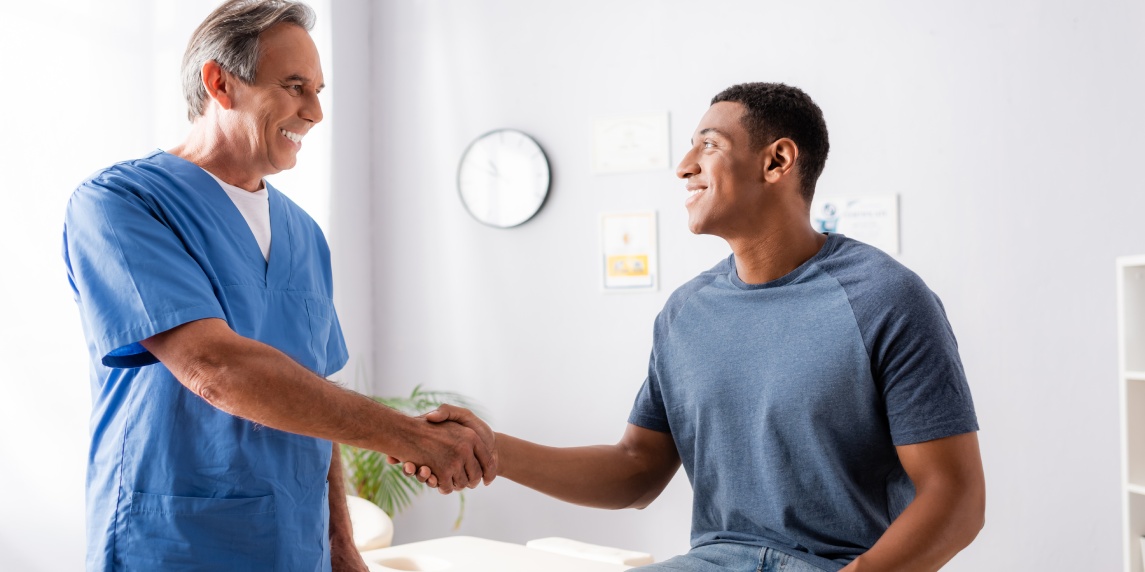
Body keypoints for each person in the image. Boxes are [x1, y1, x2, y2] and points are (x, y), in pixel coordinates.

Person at [413, 82, 985, 571]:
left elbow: (954, 497)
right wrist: (492, 449)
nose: (684, 166)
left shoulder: (886, 298)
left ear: (777, 162)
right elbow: (636, 470)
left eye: (707, 146)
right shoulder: (686, 314)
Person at [61, 1, 494, 570]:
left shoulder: (304, 234)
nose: (314, 112)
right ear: (219, 81)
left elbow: (313, 392)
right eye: (294, 87)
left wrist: (341, 547)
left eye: (318, 90)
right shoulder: (122, 205)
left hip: (294, 546)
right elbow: (214, 368)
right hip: (170, 542)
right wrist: (407, 435)